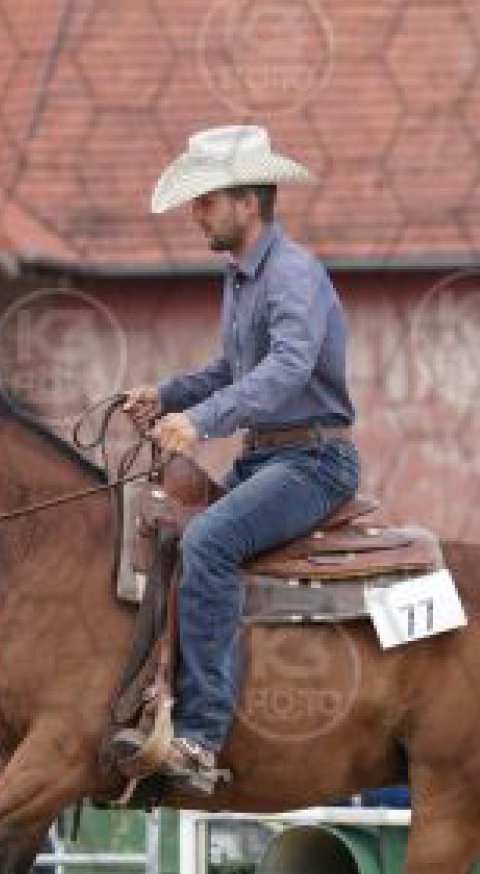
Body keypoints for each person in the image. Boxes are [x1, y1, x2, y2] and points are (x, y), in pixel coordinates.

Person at [116, 125, 359, 795]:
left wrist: (198, 421)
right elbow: (233, 368)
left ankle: (199, 736)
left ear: (248, 202)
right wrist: (168, 395)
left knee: (209, 541)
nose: (197, 214)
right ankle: (153, 698)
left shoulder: (293, 274)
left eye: (207, 201)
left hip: (315, 462)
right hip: (270, 461)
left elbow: (287, 367)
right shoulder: (243, 278)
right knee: (165, 528)